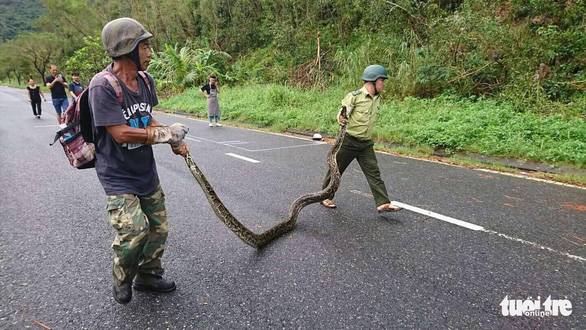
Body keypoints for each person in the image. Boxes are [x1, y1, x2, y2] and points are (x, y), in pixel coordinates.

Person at [89, 17, 189, 305]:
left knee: (158, 229)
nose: (150, 53)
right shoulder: (102, 86)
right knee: (134, 231)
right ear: (127, 49)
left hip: (146, 172)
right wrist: (165, 134)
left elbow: (146, 117)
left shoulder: (146, 80)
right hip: (117, 176)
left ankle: (149, 275)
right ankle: (122, 276)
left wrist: (172, 138)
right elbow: (120, 133)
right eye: (144, 46)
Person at [321, 65, 402, 213]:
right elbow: (342, 113)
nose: (383, 84)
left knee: (374, 172)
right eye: (381, 81)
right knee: (336, 170)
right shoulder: (355, 96)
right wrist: (341, 117)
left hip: (365, 144)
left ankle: (383, 203)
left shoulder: (377, 98)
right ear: (373, 81)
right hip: (349, 141)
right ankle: (325, 196)